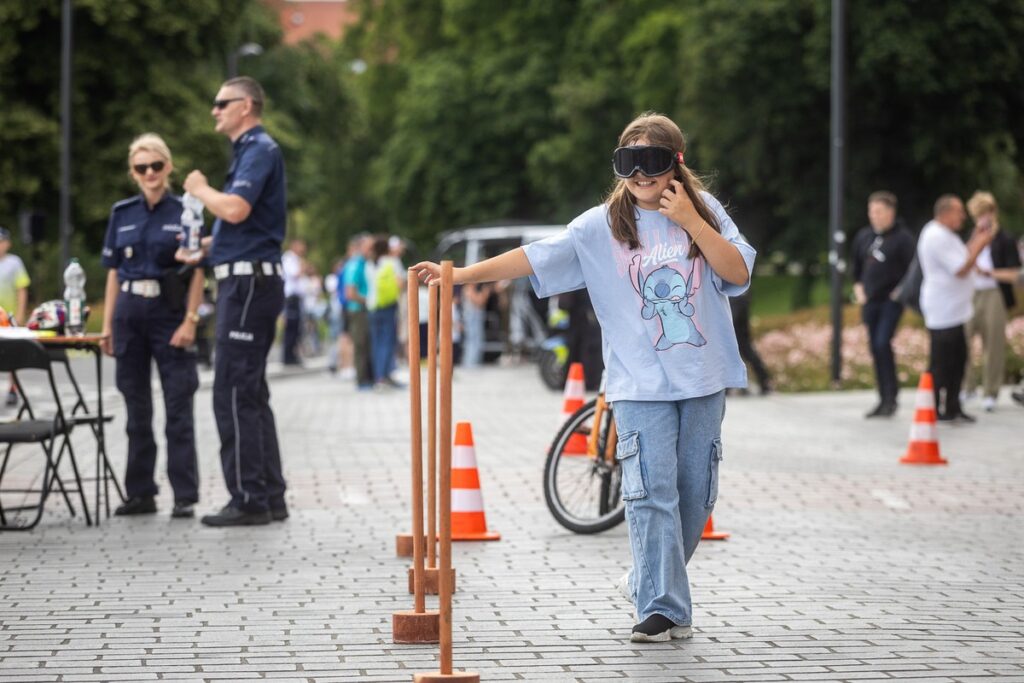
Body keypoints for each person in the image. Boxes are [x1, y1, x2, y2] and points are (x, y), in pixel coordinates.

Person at [413, 113, 755, 643]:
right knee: (650, 492)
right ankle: (661, 605)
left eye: (652, 161)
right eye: (628, 162)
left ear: (676, 163)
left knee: (696, 495)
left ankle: (646, 581)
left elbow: (737, 272)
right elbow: (532, 258)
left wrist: (691, 220)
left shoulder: (705, 211)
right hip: (638, 383)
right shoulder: (601, 226)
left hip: (703, 377)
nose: (640, 175)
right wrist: (459, 275)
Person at [181, 76, 288, 526]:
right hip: (248, 281)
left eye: (221, 102)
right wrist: (205, 248)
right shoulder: (250, 151)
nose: (214, 110)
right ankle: (270, 495)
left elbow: (236, 208)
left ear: (246, 105)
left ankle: (248, 499)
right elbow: (245, 224)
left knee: (232, 391)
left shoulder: (258, 148)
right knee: (251, 392)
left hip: (246, 287)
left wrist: (199, 188)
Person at [99, 133, 205, 519]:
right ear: (133, 172)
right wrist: (108, 325)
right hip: (129, 313)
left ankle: (184, 494)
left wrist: (191, 320)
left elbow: (198, 271)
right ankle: (140, 492)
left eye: (156, 165)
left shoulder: (186, 211)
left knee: (178, 406)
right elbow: (113, 273)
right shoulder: (122, 213)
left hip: (169, 311)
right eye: (141, 167)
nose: (149, 173)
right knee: (136, 408)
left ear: (168, 167)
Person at [917, 195, 994, 424]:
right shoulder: (935, 236)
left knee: (958, 359)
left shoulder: (946, 234)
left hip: (955, 310)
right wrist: (982, 243)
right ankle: (934, 407)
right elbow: (960, 268)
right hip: (943, 311)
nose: (963, 216)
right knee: (941, 363)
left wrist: (976, 238)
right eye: (959, 211)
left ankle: (953, 406)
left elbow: (963, 255)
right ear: (946, 213)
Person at [851, 191, 915, 417]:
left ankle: (891, 397)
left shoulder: (903, 238)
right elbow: (856, 269)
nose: (874, 216)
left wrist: (900, 293)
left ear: (890, 212)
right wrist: (859, 290)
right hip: (870, 302)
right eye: (871, 211)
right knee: (875, 348)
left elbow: (912, 270)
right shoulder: (864, 236)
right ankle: (883, 398)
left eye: (878, 211)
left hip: (890, 301)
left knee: (882, 343)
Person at [963, 191, 1020, 412]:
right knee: (963, 338)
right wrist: (974, 240)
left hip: (994, 292)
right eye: (977, 215)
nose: (982, 219)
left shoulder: (1005, 239)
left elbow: (1014, 273)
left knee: (993, 344)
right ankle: (967, 387)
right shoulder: (971, 236)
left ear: (993, 212)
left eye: (985, 213)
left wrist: (990, 273)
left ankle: (990, 392)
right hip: (971, 292)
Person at [0, 226, 31, 407]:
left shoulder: (14, 263)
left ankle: (13, 388)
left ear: (8, 244)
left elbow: (21, 289)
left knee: (12, 353)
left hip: (9, 317)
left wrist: (20, 313)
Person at [366, 235, 402, 388]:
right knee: (388, 341)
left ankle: (378, 377)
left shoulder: (369, 264)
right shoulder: (392, 262)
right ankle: (386, 375)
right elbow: (400, 283)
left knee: (376, 342)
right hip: (388, 306)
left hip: (372, 307)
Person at [343, 234, 373, 389]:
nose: (372, 250)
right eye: (369, 247)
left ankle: (368, 378)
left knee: (367, 344)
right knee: (360, 344)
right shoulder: (355, 264)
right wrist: (369, 300)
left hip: (364, 309)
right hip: (358, 310)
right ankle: (361, 380)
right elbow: (350, 292)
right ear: (361, 247)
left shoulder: (365, 263)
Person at [281, 238, 306, 366]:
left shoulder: (295, 259)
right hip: (290, 298)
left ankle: (292, 354)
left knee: (296, 328)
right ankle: (287, 356)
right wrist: (303, 267)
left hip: (296, 298)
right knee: (291, 328)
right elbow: (295, 274)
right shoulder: (289, 259)